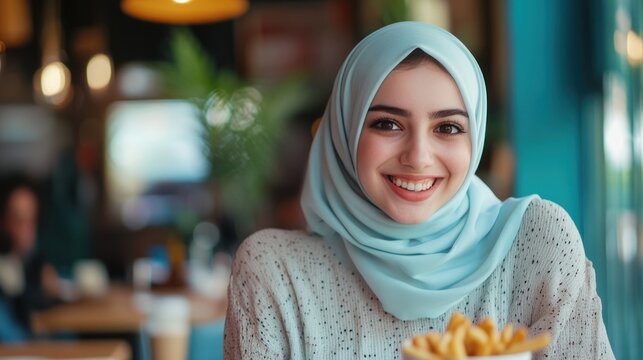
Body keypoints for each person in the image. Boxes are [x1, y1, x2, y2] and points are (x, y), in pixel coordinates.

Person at [224, 22, 614, 359]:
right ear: (346, 131)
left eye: (447, 128)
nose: (418, 157)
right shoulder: (276, 275)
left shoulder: (538, 243)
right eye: (388, 124)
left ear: (474, 139)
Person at [0, 175, 61, 336]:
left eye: (31, 220)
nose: (27, 229)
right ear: (3, 222)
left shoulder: (36, 263)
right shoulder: (6, 267)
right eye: (19, 220)